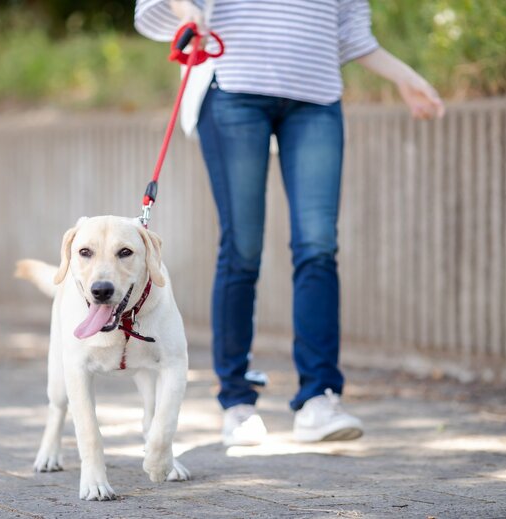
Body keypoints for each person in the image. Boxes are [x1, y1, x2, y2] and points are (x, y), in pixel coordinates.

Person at [135, 0, 444, 446]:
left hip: (317, 99)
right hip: (233, 89)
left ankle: (319, 397)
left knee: (318, 247)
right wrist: (188, 9)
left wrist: (406, 78)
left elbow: (352, 32)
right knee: (242, 248)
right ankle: (237, 403)